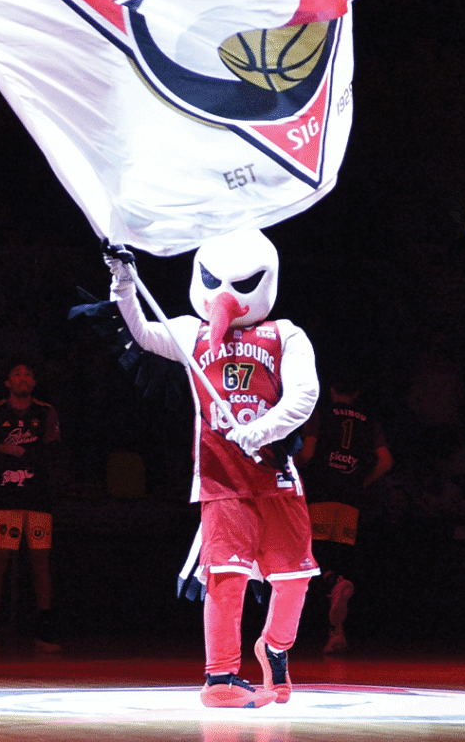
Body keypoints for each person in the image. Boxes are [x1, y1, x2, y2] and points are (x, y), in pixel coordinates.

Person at [106, 229, 319, 709]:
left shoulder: (286, 334)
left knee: (295, 577)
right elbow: (141, 331)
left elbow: (305, 395)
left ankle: (275, 647)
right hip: (221, 477)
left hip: (276, 474)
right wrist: (123, 280)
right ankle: (220, 676)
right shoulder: (190, 331)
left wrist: (263, 428)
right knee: (227, 575)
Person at [298, 378, 393, 654]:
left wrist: (288, 467)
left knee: (314, 558)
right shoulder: (368, 421)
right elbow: (386, 461)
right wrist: (362, 482)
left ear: (331, 390)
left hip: (321, 494)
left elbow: (308, 452)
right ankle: (337, 632)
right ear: (357, 392)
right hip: (350, 501)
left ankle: (332, 582)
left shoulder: (320, 415)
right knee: (340, 560)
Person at [0, 362, 61, 653]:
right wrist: (4, 450)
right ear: (7, 382)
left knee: (40, 563)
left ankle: (45, 627)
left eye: (27, 374)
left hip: (38, 499)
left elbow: (52, 451)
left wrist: (19, 454)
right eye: (16, 374)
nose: (22, 378)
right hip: (5, 498)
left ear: (33, 383)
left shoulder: (46, 412)